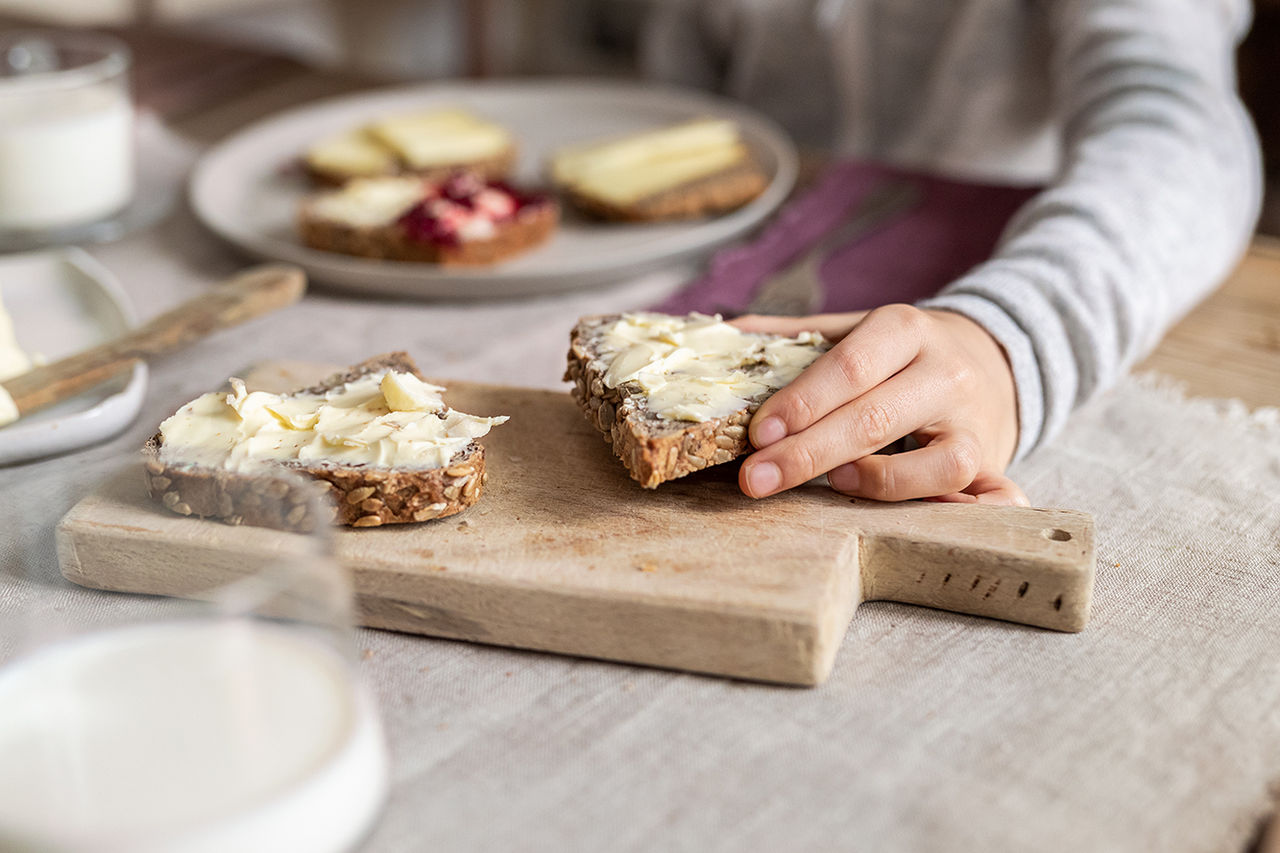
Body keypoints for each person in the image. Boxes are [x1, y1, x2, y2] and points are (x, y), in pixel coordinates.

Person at [642, 0, 1262, 505]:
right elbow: (668, 94)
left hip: (1048, 272)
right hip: (715, 263)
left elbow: (1183, 135)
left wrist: (1006, 341)